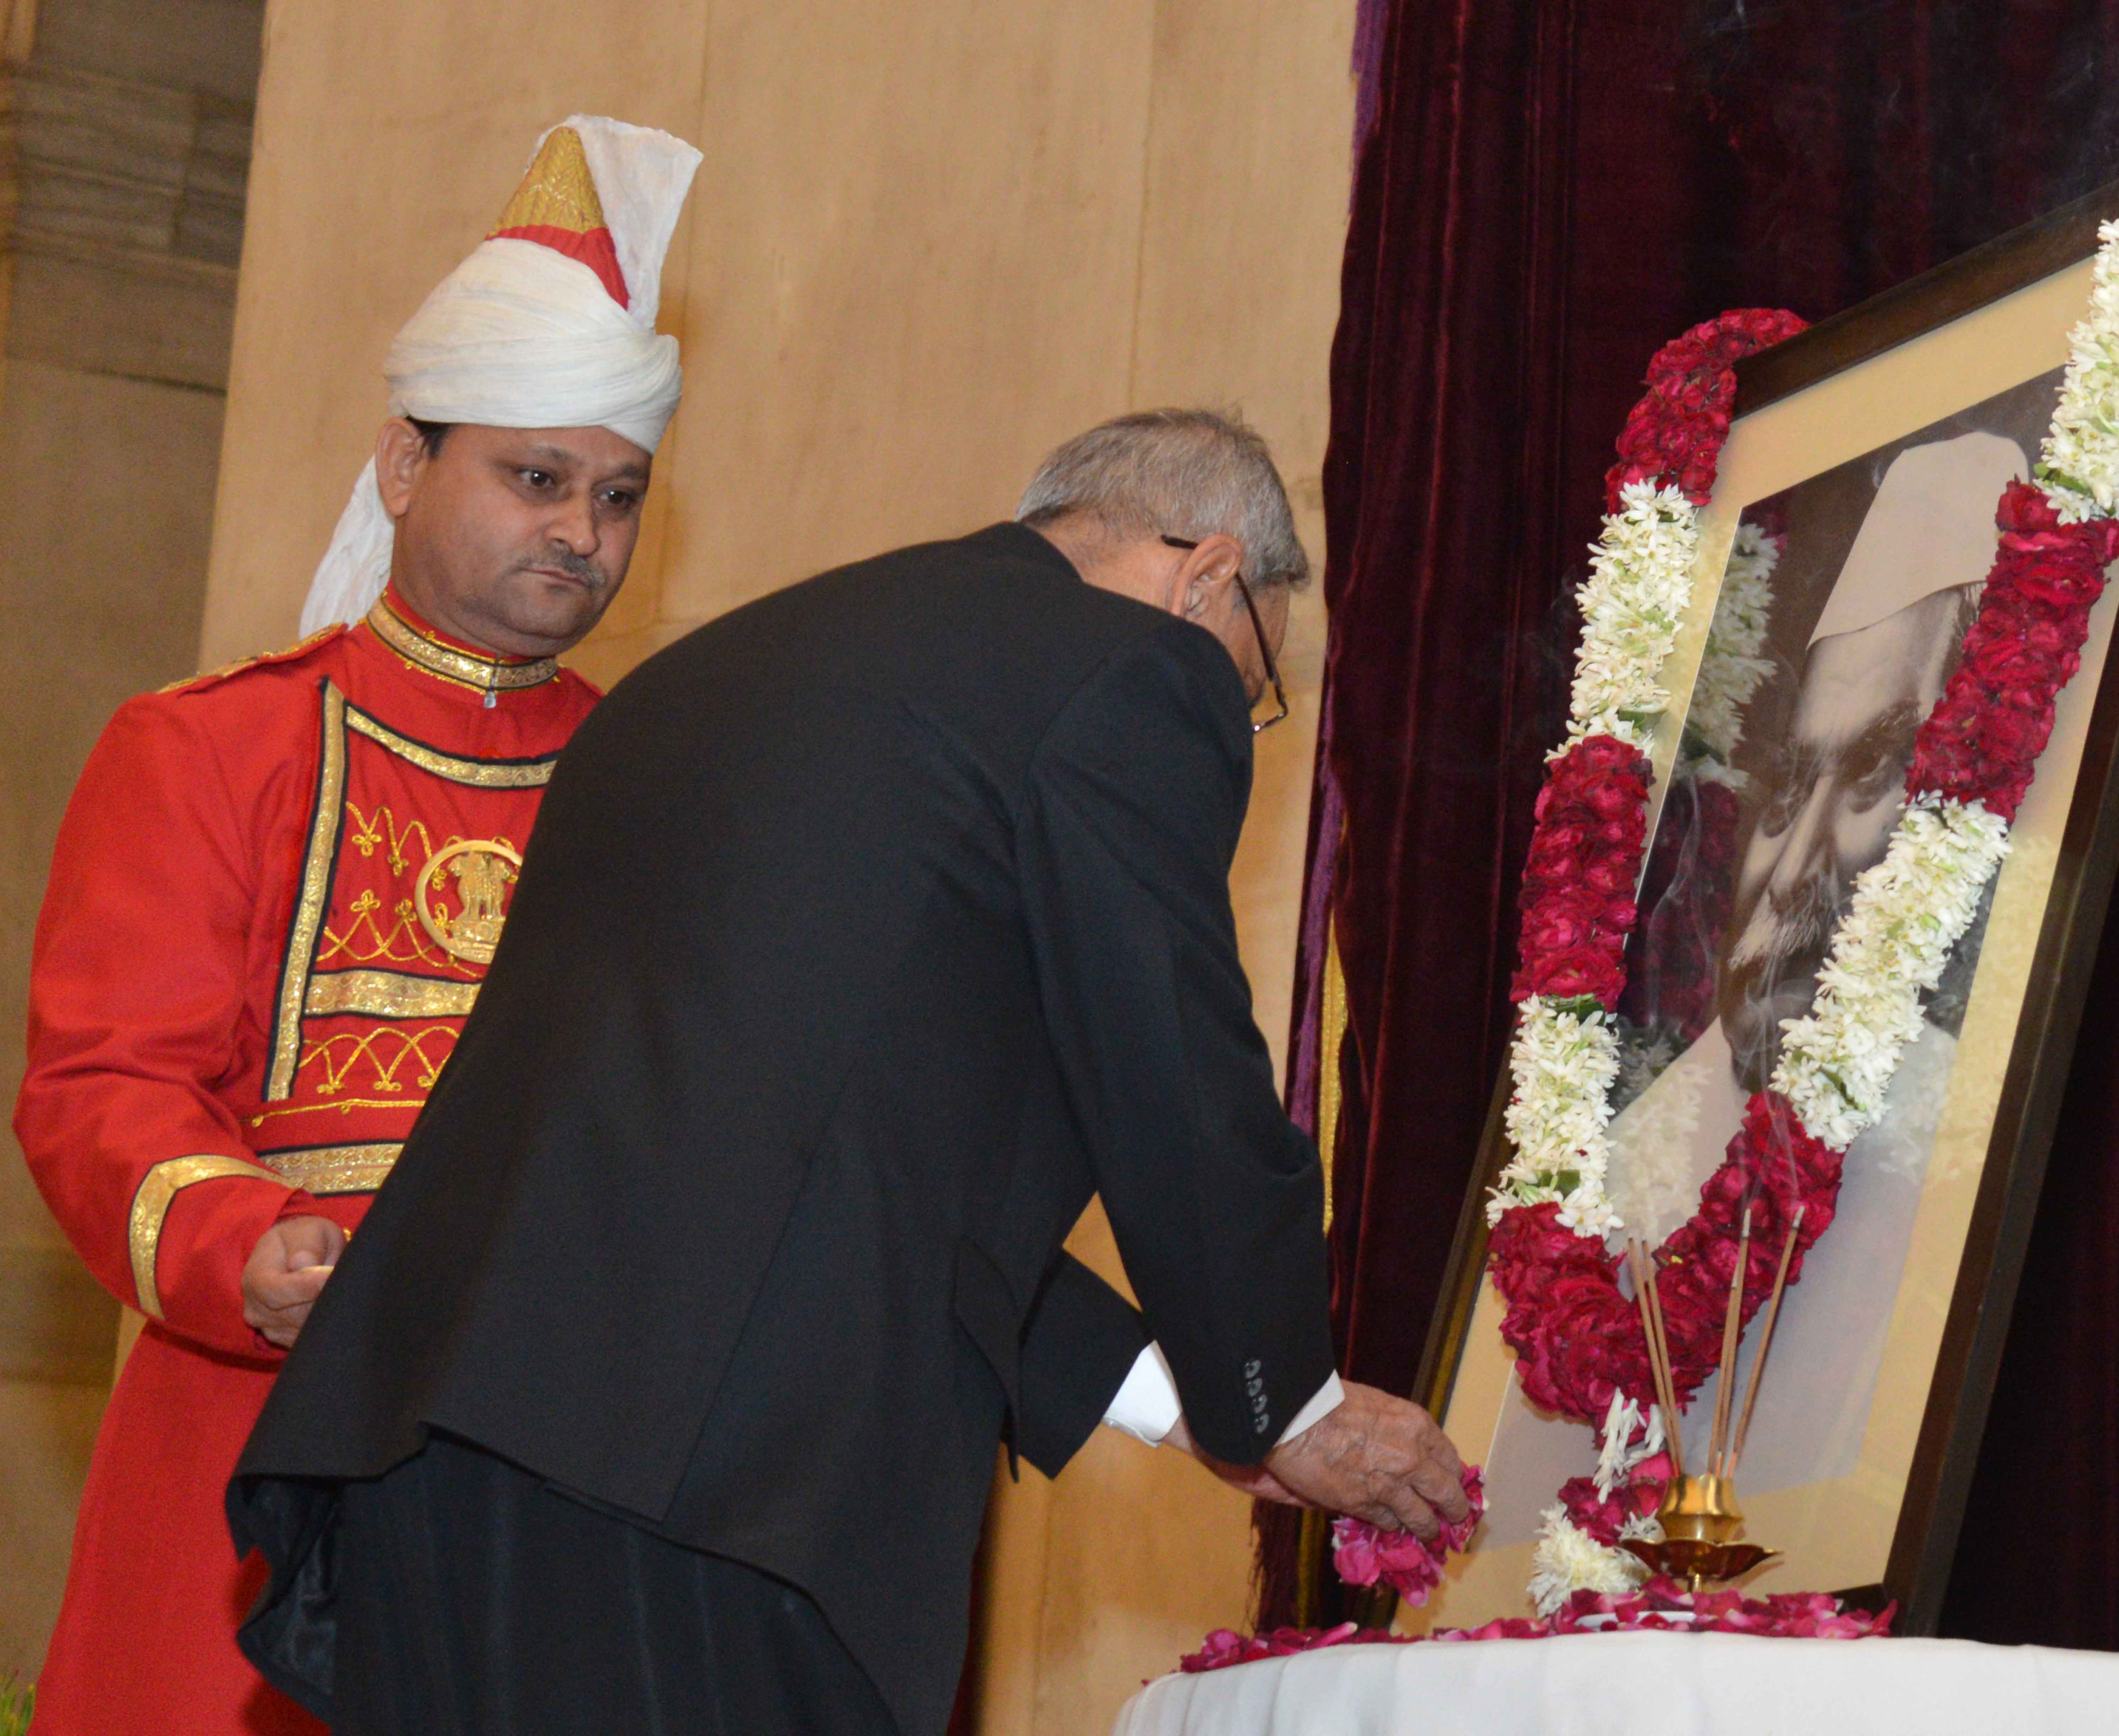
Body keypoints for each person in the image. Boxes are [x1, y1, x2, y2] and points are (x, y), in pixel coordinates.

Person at [229, 409, 1470, 1736]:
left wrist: (1190, 1408)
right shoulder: (1126, 667)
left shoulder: (715, 674)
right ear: (1206, 576)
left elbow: (841, 1156)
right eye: (1255, 677)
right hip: (709, 1492)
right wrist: (1282, 1397)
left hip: (430, 1457)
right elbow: (1174, 1071)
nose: (1237, 713)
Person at [17, 115, 700, 1735]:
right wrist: (242, 1244)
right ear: (405, 465)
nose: (581, 537)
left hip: (555, 1475)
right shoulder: (210, 746)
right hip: (252, 1435)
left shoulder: (666, 780)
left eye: (617, 497)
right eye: (536, 479)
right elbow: (101, 1084)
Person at [1603, 428, 2027, 1486]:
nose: (1791, 870)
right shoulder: (1628, 1172)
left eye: (1876, 772)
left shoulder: (1981, 1150)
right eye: (1789, 789)